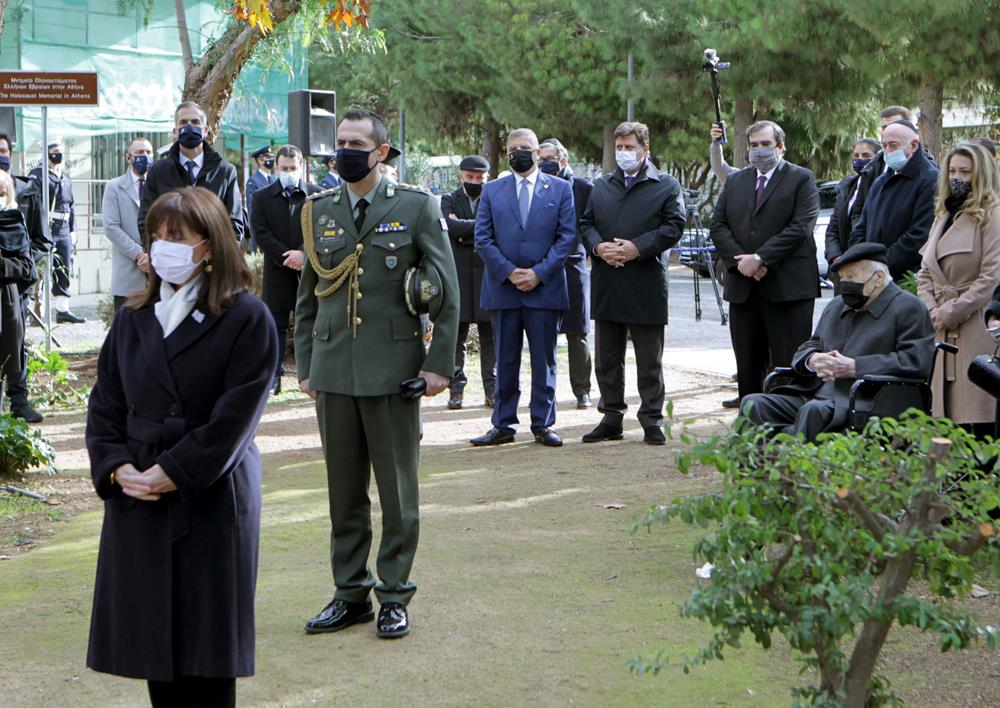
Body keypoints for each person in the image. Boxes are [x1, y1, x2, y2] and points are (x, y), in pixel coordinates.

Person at [85, 187, 279, 707]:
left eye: (177, 237)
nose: (163, 247)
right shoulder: (132, 317)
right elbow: (105, 403)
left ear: (209, 245)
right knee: (156, 646)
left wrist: (175, 469)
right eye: (156, 236)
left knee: (207, 650)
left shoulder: (247, 318)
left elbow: (236, 418)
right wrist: (115, 466)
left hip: (210, 493)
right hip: (139, 494)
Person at [296, 108, 459, 640]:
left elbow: (448, 294)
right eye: (340, 141)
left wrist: (438, 369)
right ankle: (350, 595)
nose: (344, 150)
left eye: (356, 143)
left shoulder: (415, 207)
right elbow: (307, 300)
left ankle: (393, 595)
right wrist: (306, 365)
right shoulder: (318, 210)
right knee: (343, 495)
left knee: (397, 495)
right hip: (334, 371)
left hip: (394, 373)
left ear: (381, 152)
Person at [743, 243, 934, 440]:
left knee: (813, 411)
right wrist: (812, 360)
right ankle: (756, 469)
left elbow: (916, 361)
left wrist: (855, 367)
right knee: (753, 404)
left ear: (878, 277)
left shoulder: (909, 308)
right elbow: (811, 345)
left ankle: (798, 470)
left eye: (851, 277)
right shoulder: (837, 306)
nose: (845, 284)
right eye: (842, 278)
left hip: (868, 399)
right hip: (817, 392)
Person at [578, 122, 686, 444]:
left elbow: (673, 226)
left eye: (630, 147)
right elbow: (586, 223)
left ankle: (651, 419)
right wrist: (598, 247)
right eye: (619, 148)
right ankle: (611, 417)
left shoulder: (666, 185)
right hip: (608, 281)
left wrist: (637, 248)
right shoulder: (602, 185)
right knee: (607, 358)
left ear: (645, 150)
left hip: (645, 283)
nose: (623, 153)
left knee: (649, 359)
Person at [470, 128, 576, 448]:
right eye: (513, 147)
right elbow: (482, 238)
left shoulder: (560, 189)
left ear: (537, 152)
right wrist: (508, 271)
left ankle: (543, 423)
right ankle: (502, 423)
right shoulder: (492, 190)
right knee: (505, 358)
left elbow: (567, 237)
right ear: (506, 152)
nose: (519, 152)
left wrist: (539, 273)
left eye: (525, 147)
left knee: (544, 359)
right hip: (504, 288)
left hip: (544, 289)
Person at [709, 120, 820, 409]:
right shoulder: (736, 181)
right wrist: (742, 262)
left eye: (765, 144)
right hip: (744, 289)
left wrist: (761, 258)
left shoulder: (801, 179)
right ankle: (750, 427)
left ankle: (788, 428)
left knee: (788, 366)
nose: (759, 151)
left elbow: (801, 227)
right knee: (747, 366)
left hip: (788, 290)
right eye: (754, 145)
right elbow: (718, 226)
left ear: (780, 146)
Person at [917, 142, 1000, 436]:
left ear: (981, 174)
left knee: (978, 412)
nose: (957, 177)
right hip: (940, 326)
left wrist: (953, 310)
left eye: (965, 171)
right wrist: (930, 309)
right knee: (945, 419)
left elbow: (991, 276)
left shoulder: (992, 215)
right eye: (952, 170)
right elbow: (925, 271)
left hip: (975, 325)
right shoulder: (943, 215)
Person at [251, 144, 321, 395]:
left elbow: (322, 230)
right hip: (277, 271)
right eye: (284, 168)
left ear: (301, 167)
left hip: (309, 271)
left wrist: (303, 253)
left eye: (293, 168)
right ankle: (275, 377)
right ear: (276, 167)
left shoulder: (316, 195)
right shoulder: (262, 196)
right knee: (276, 325)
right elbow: (260, 232)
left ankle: (313, 374)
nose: (289, 172)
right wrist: (286, 257)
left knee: (312, 322)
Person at [138, 101, 245, 246]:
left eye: (195, 122)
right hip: (171, 263)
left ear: (205, 130)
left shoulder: (225, 171)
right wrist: (160, 255)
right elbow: (146, 221)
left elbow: (235, 225)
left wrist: (216, 258)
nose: (189, 127)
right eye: (183, 122)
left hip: (212, 264)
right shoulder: (158, 171)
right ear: (175, 131)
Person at [539, 137, 594, 409]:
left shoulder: (584, 189)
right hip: (543, 268)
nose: (543, 163)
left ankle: (582, 389)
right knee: (544, 331)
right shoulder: (535, 187)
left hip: (573, 266)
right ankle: (544, 390)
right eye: (541, 159)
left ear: (563, 160)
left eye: (549, 158)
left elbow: (593, 226)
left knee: (577, 332)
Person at [849, 120, 939, 280]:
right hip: (873, 275)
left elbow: (919, 235)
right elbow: (861, 228)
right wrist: (861, 260)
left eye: (894, 145)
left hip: (906, 278)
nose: (888, 151)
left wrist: (881, 266)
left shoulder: (930, 180)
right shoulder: (880, 181)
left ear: (914, 145)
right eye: (884, 146)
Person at [441, 155, 495, 409]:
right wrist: (481, 228)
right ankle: (456, 389)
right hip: (459, 276)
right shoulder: (448, 199)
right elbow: (448, 229)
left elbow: (499, 227)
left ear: (487, 177)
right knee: (456, 337)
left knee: (490, 336)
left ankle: (492, 389)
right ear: (461, 175)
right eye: (470, 177)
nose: (475, 182)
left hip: (487, 275)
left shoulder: (495, 197)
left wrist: (464, 231)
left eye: (479, 178)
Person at [0, 132, 47, 423]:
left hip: (16, 288)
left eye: (2, 149)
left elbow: (41, 241)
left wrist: (24, 270)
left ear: (11, 152)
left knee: (16, 346)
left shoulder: (27, 192)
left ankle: (19, 402)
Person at [29, 140, 83, 323]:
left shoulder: (65, 177)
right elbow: (34, 205)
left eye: (60, 151)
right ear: (46, 154)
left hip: (64, 228)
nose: (57, 154)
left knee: (64, 268)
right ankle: (39, 310)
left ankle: (62, 310)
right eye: (54, 151)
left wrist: (73, 230)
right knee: (43, 269)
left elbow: (71, 205)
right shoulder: (37, 176)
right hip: (47, 227)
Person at [103, 138, 153, 312]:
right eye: (139, 153)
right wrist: (139, 254)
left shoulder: (159, 186)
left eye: (148, 152)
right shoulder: (114, 187)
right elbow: (111, 227)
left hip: (157, 273)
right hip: (128, 273)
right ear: (128, 158)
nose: (145, 156)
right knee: (126, 335)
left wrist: (153, 254)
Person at [0, 171, 38, 400]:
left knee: (5, 361)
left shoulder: (13, 221)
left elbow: (25, 265)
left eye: (1, 190)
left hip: (5, 301)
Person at [824, 138, 882, 275]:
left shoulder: (880, 187)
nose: (859, 159)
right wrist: (836, 257)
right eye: (856, 156)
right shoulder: (848, 186)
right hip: (842, 267)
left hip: (867, 267)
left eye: (866, 155)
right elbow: (833, 228)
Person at [243, 146, 275, 250]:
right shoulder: (253, 182)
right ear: (261, 161)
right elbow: (252, 210)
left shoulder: (275, 179)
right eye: (268, 158)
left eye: (272, 158)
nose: (271, 161)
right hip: (262, 230)